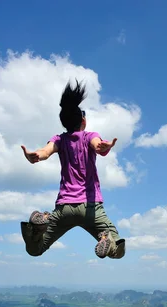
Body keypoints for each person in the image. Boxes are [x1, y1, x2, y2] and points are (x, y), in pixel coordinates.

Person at [20, 80, 126, 260]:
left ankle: (37, 230)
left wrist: (35, 155)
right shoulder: (90, 136)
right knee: (117, 250)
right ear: (83, 121)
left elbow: (45, 151)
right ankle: (106, 238)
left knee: (35, 250)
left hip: (64, 209)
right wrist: (102, 147)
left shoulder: (59, 139)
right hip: (90, 208)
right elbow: (97, 145)